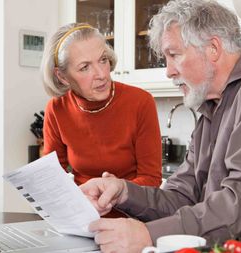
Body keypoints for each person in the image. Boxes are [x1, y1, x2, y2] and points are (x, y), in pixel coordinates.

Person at [80, 1, 241, 252]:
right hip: (235, 241)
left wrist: (148, 235)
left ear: (213, 49)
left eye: (174, 55)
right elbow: (180, 198)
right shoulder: (209, 109)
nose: (169, 71)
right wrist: (124, 192)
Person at [40, 23, 162, 208]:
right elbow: (53, 178)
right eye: (85, 67)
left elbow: (152, 179)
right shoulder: (57, 109)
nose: (101, 74)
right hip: (82, 213)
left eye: (103, 60)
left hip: (133, 215)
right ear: (62, 76)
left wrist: (116, 189)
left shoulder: (140, 102)